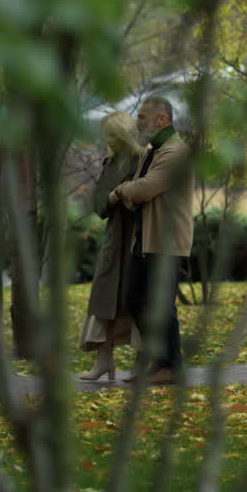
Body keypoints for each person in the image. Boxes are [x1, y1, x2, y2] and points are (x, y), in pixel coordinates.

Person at [112, 96, 193, 384]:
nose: (138, 122)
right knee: (135, 300)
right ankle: (158, 362)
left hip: (166, 241)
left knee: (161, 305)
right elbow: (138, 194)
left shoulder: (176, 152)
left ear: (163, 120)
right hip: (145, 239)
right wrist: (130, 193)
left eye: (144, 117)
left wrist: (123, 190)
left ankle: (171, 367)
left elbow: (145, 188)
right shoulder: (151, 151)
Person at [77, 111, 143, 381]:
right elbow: (99, 206)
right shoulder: (110, 162)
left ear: (125, 133)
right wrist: (116, 195)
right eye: (106, 135)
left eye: (113, 135)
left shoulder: (142, 159)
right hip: (115, 239)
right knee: (105, 300)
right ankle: (104, 362)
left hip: (139, 238)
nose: (109, 140)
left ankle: (142, 363)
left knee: (139, 301)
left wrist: (125, 194)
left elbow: (146, 193)